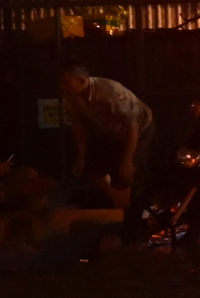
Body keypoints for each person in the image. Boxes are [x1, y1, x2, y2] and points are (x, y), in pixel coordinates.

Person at [60, 63, 154, 212]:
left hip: (139, 129)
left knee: (123, 173)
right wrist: (81, 157)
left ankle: (125, 211)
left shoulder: (109, 91)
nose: (63, 86)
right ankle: (121, 203)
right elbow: (77, 126)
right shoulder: (71, 97)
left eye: (66, 82)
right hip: (112, 131)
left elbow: (132, 125)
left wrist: (127, 160)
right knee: (92, 169)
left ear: (82, 81)